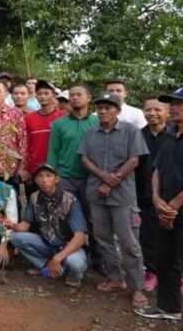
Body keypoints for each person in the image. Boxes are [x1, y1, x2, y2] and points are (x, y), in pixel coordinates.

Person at [79, 93, 149, 309]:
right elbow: (84, 159)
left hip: (123, 197)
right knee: (103, 238)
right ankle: (115, 278)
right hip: (96, 194)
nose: (103, 111)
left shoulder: (131, 131)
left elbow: (134, 160)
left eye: (108, 108)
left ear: (118, 111)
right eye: (100, 107)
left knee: (129, 243)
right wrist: (103, 176)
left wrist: (111, 182)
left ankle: (137, 287)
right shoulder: (91, 133)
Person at [135, 87, 183, 321]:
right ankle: (169, 307)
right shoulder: (170, 134)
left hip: (175, 209)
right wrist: (156, 198)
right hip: (163, 208)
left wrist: (173, 205)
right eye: (172, 103)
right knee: (165, 259)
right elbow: (156, 168)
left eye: (179, 104)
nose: (173, 108)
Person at [47, 84, 101, 272]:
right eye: (72, 95)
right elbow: (53, 152)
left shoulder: (97, 122)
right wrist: (53, 177)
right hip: (65, 178)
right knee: (66, 219)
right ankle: (71, 258)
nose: (75, 98)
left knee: (94, 220)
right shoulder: (60, 124)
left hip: (91, 179)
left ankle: (98, 260)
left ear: (89, 98)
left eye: (79, 95)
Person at [6, 164, 88, 288]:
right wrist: (12, 225)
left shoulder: (70, 200)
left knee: (76, 263)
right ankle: (45, 267)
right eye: (40, 176)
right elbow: (25, 225)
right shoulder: (34, 198)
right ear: (36, 180)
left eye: (48, 176)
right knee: (15, 237)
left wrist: (57, 258)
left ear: (57, 179)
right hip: (47, 243)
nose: (44, 180)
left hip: (68, 246)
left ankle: (73, 274)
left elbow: (80, 237)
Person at [135, 98, 169, 291]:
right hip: (144, 195)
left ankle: (177, 275)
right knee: (147, 235)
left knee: (173, 238)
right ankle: (152, 271)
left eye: (157, 109)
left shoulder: (174, 135)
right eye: (148, 110)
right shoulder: (138, 135)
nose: (152, 113)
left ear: (167, 112)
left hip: (172, 197)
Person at [21, 80, 66, 195]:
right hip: (36, 169)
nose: (43, 96)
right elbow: (26, 146)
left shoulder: (62, 117)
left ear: (53, 96)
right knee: (35, 200)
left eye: (46, 93)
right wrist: (25, 168)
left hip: (57, 169)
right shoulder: (29, 118)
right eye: (40, 94)